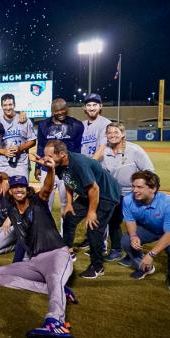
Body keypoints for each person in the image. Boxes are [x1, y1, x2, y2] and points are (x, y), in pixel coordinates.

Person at [0, 161, 77, 338]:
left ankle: (56, 323)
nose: (19, 189)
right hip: (34, 262)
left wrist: (51, 169)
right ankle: (57, 290)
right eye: (15, 187)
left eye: (22, 186)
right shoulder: (13, 211)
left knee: (54, 277)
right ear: (11, 191)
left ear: (27, 188)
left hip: (56, 254)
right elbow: (23, 241)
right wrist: (17, 263)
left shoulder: (38, 201)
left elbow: (47, 187)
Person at [44, 140, 121, 279]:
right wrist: (69, 204)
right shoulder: (60, 164)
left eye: (49, 155)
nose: (46, 158)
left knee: (93, 228)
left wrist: (91, 212)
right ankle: (67, 251)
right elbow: (68, 181)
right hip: (88, 194)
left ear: (61, 154)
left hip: (106, 195)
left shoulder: (79, 163)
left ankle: (98, 267)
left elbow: (94, 188)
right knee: (69, 216)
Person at [121, 171, 170, 291]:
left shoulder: (169, 203)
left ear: (153, 188)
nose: (135, 190)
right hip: (149, 228)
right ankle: (144, 268)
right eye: (133, 186)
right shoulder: (128, 200)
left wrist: (151, 254)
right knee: (126, 241)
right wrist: (133, 236)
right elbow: (130, 220)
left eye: (140, 187)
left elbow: (169, 235)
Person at [101, 122, 155, 261]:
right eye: (109, 133)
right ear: (106, 135)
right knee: (113, 222)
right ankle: (116, 250)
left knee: (135, 224)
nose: (112, 135)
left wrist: (141, 191)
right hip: (113, 194)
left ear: (123, 134)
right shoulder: (105, 151)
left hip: (133, 194)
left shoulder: (134, 150)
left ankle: (133, 254)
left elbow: (149, 172)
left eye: (116, 132)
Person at [34, 98, 84, 222]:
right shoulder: (43, 125)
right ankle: (47, 235)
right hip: (47, 168)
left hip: (67, 169)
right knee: (45, 202)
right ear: (52, 111)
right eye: (57, 111)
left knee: (66, 202)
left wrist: (75, 169)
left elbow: (77, 149)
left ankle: (64, 237)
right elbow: (40, 146)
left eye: (63, 109)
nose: (61, 112)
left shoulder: (76, 125)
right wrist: (38, 167)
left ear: (67, 109)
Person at [0, 93, 36, 177]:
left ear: (14, 105)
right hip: (3, 164)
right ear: (1, 106)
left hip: (21, 163)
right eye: (5, 105)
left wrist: (20, 148)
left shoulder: (24, 120)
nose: (8, 107)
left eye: (10, 104)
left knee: (21, 189)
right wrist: (4, 151)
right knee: (5, 189)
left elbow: (32, 141)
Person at [80, 94, 111, 160]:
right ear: (84, 108)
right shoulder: (81, 124)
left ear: (100, 106)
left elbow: (103, 148)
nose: (92, 108)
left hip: (98, 165)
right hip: (83, 164)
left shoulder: (106, 124)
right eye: (88, 105)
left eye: (95, 105)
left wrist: (90, 165)